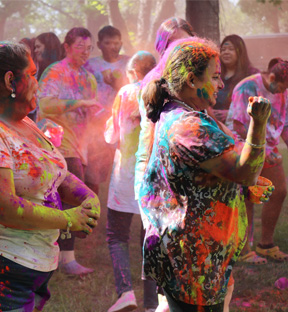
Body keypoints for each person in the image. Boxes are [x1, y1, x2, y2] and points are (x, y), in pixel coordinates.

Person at [0, 41, 100, 311]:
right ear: (10, 80)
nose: (39, 82)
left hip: (27, 264)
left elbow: (54, 172)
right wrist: (68, 219)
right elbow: (0, 206)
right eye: (34, 74)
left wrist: (87, 196)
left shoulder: (24, 123)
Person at [138, 36, 271, 311]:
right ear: (191, 80)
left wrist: (242, 187)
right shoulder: (188, 127)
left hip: (198, 255)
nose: (221, 84)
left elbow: (202, 174)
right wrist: (258, 124)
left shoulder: (182, 112)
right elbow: (245, 171)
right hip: (194, 261)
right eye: (216, 76)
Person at [134, 17, 195, 312]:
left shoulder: (199, 75)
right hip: (161, 180)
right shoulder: (155, 81)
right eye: (172, 44)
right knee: (171, 271)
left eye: (185, 41)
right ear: (162, 49)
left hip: (191, 179)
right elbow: (147, 142)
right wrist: (144, 190)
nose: (179, 48)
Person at [38, 27, 102, 276]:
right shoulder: (55, 72)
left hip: (81, 143)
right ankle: (67, 259)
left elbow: (90, 110)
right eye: (80, 47)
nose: (86, 53)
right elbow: (45, 105)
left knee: (72, 196)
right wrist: (81, 103)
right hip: (56, 142)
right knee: (73, 196)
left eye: (89, 49)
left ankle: (58, 252)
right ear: (67, 47)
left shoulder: (88, 77)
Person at [104, 51, 157, 312]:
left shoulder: (126, 93)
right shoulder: (163, 91)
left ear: (134, 72)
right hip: (154, 175)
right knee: (149, 237)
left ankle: (126, 292)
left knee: (116, 235)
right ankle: (151, 302)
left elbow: (112, 135)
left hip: (126, 175)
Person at [226, 57, 288, 264]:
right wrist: (260, 149)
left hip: (267, 148)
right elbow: (239, 125)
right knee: (246, 195)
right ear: (271, 77)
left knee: (279, 190)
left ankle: (266, 245)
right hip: (242, 145)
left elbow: (284, 125)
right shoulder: (248, 87)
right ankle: (244, 250)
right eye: (281, 86)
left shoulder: (284, 92)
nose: (282, 92)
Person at [83, 25, 131, 195]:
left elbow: (134, 90)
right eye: (108, 42)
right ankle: (94, 206)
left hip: (123, 123)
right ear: (99, 44)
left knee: (121, 167)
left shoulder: (128, 63)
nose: (113, 46)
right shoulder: (91, 65)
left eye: (116, 43)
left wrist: (116, 84)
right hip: (97, 124)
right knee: (94, 170)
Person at [213, 34, 259, 123]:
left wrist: (231, 114)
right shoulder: (214, 74)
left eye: (231, 49)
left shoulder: (251, 76)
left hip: (241, 127)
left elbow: (258, 105)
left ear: (240, 52)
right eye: (223, 50)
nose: (226, 52)